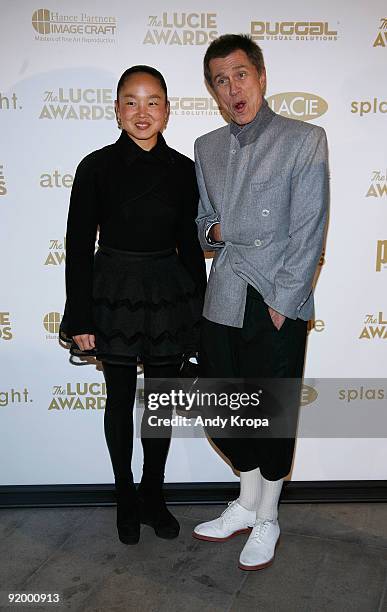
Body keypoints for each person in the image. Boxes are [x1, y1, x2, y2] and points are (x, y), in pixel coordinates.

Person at [193, 35, 329, 570]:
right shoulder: (206, 147)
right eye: (221, 81)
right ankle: (246, 503)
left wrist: (286, 300)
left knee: (270, 415)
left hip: (276, 297)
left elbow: (310, 227)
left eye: (241, 75)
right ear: (213, 91)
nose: (233, 89)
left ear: (262, 76)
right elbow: (205, 227)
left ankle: (268, 515)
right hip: (223, 295)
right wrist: (220, 228)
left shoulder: (304, 139)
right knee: (223, 409)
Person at [61, 65, 207, 545]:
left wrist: (200, 313)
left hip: (168, 293)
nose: (142, 112)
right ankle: (125, 495)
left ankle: (153, 493)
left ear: (167, 109)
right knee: (120, 399)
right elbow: (78, 245)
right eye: (131, 101)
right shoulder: (95, 167)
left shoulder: (186, 171)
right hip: (114, 292)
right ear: (117, 109)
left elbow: (189, 244)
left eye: (152, 102)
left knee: (161, 403)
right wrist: (79, 315)